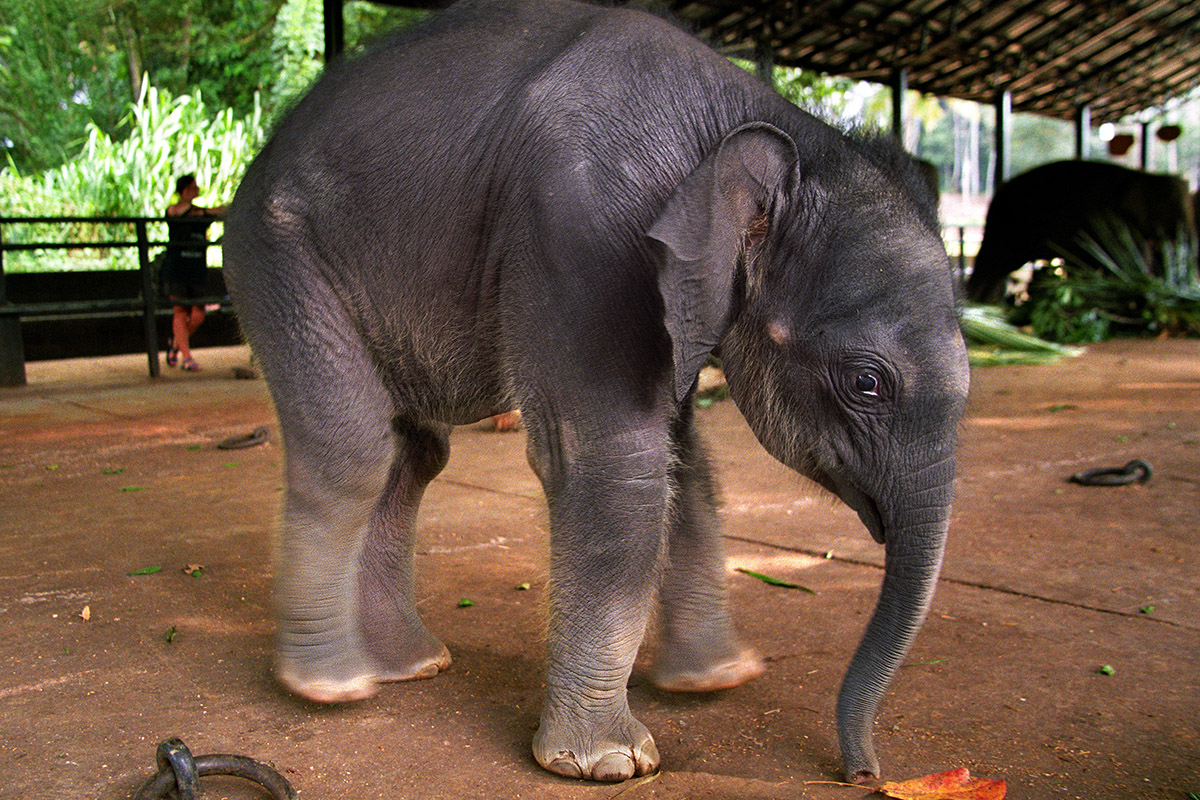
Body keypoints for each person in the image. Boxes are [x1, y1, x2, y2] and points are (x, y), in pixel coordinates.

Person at [162, 174, 226, 371]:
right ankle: (187, 357)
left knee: (198, 315)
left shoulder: (201, 213)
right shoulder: (175, 210)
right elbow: (176, 212)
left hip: (196, 268)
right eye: (194, 186)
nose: (198, 189)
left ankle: (175, 345)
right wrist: (197, 212)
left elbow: (221, 211)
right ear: (185, 189)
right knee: (180, 311)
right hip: (177, 267)